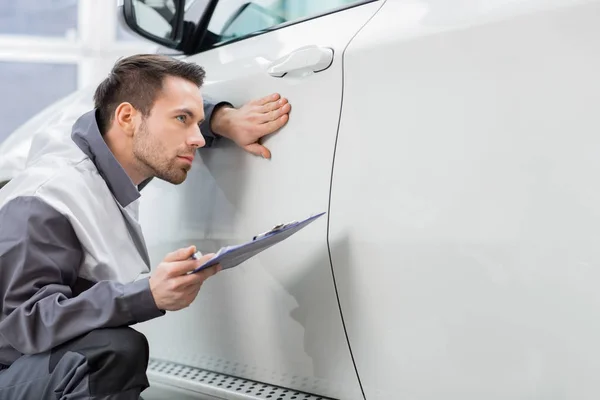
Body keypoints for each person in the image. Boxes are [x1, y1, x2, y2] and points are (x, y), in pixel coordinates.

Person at [0, 54, 291, 399]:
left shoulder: (108, 158)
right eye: (183, 120)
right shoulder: (46, 200)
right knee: (111, 352)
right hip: (9, 367)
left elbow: (129, 98)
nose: (197, 138)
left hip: (26, 367)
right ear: (126, 118)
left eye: (197, 123)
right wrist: (146, 295)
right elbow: (23, 322)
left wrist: (222, 119)